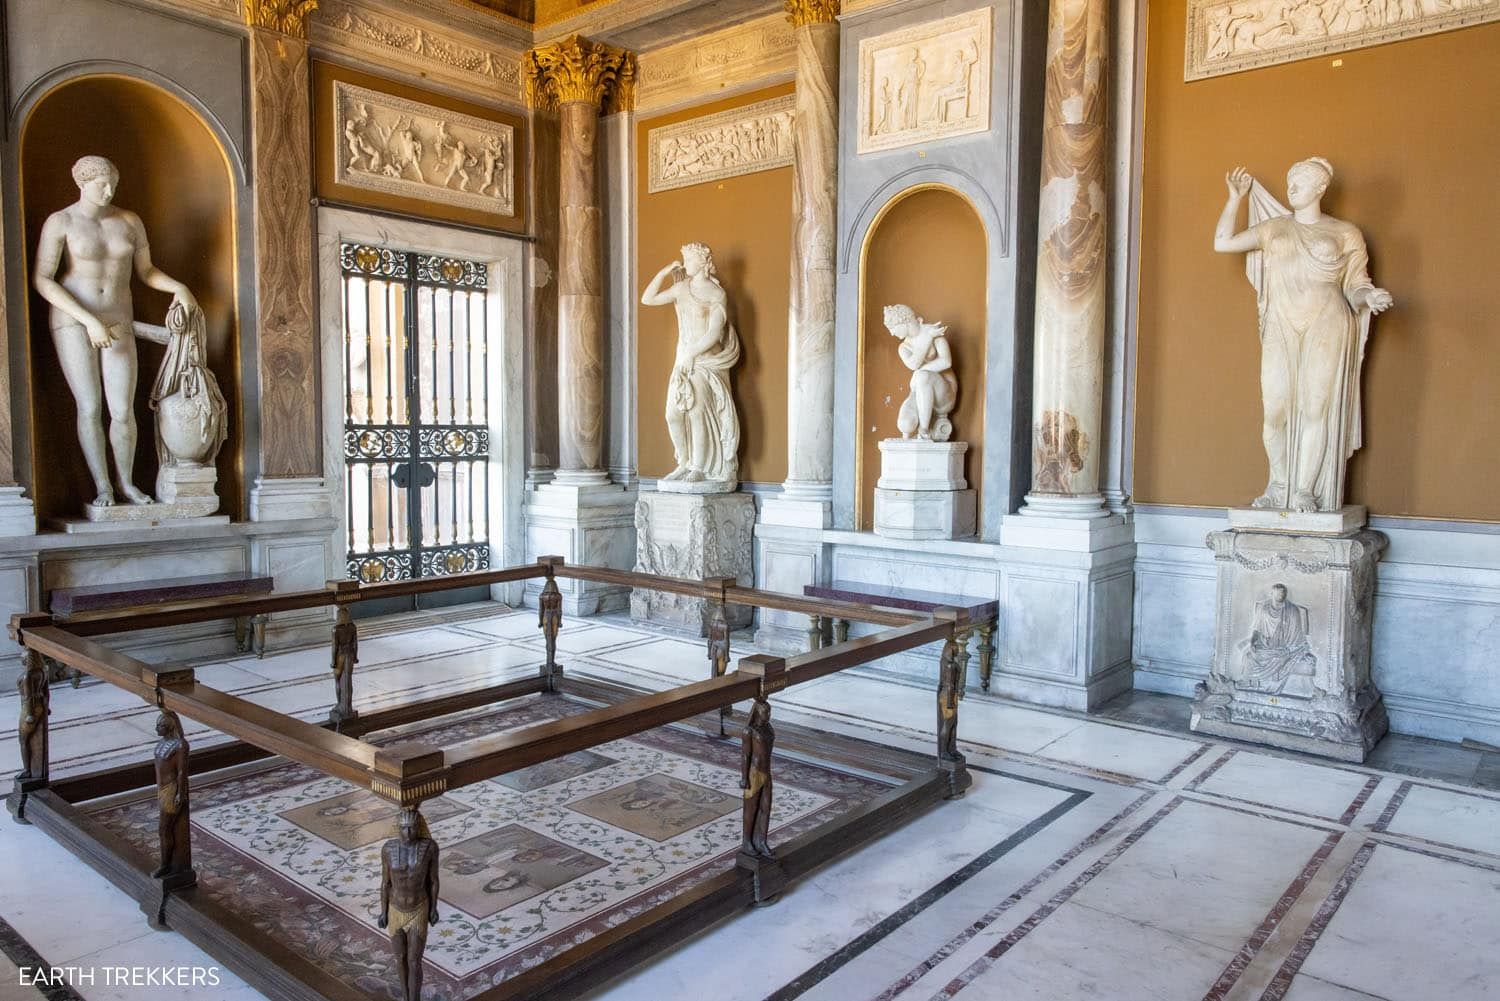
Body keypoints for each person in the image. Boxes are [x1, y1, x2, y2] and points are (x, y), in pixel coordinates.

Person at [1213, 158, 1393, 512]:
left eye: (1301, 180)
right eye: (1290, 179)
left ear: (1320, 188)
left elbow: (1356, 285)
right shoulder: (1273, 228)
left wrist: (1369, 296)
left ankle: (1305, 490)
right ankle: (1278, 483)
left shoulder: (1345, 233)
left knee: (1316, 410)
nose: (1292, 186)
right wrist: (1235, 199)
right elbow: (1223, 243)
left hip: (1328, 322)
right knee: (1274, 412)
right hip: (1281, 323)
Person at [33, 155, 199, 509]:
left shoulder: (129, 221)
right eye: (100, 185)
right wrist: (88, 319)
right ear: (81, 183)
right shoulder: (60, 221)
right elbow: (42, 279)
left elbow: (147, 270)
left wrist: (178, 288)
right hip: (74, 321)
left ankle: (126, 484)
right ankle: (103, 487)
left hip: (119, 320)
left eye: (112, 185)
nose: (108, 191)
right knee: (90, 406)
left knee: (123, 410)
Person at [640, 243, 742, 485]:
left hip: (705, 361)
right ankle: (683, 463)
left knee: (696, 412)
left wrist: (691, 354)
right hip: (683, 360)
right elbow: (647, 299)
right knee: (673, 413)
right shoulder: (681, 288)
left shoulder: (717, 295)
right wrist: (664, 272)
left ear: (702, 262)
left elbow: (714, 334)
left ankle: (698, 466)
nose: (685, 264)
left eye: (689, 259)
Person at [379, 808, 440, 1001]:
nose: (408, 833)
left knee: (414, 961)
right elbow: (385, 883)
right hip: (395, 908)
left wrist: (433, 908)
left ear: (419, 827)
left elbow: (433, 881)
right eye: (404, 828)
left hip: (418, 909)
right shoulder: (388, 849)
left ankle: (414, 999)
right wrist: (383, 912)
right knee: (400, 959)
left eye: (412, 828)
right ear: (398, 828)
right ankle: (406, 998)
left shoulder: (429, 847)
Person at [884, 304, 959, 441]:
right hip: (920, 390)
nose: (892, 333)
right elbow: (913, 365)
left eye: (892, 328)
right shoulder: (904, 347)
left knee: (922, 376)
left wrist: (919, 373)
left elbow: (946, 362)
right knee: (905, 424)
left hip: (945, 394)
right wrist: (927, 338)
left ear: (903, 321)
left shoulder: (933, 332)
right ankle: (908, 438)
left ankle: (924, 431)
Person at [1237, 583, 1319, 698]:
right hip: (1264, 645)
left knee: (1278, 657)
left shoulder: (1292, 610)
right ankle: (1251, 683)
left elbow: (1295, 636)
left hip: (1283, 646)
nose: (1281, 595)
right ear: (1272, 594)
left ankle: (1269, 688)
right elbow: (1256, 629)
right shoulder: (1264, 608)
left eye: (1283, 593)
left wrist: (1289, 648)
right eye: (1278, 593)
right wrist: (1252, 642)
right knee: (1249, 657)